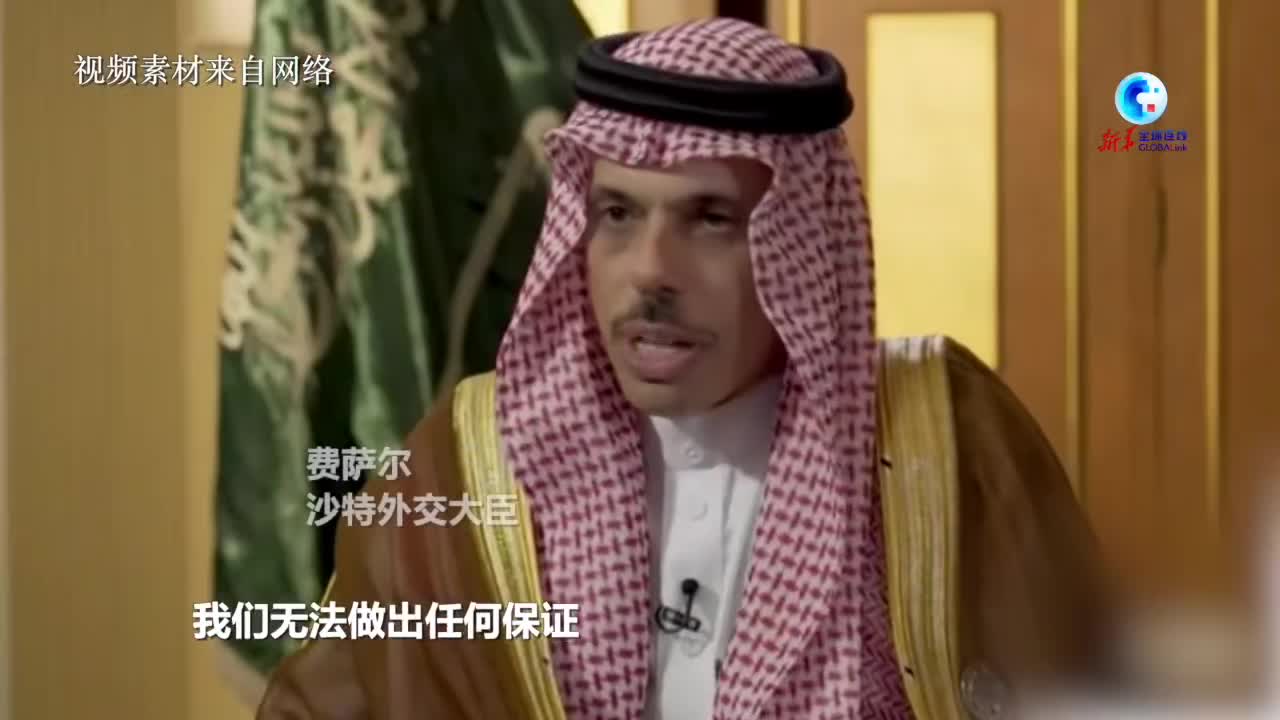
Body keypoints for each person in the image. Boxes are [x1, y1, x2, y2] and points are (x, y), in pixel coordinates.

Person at [256, 18, 1111, 719]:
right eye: (617, 214)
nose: (651, 271)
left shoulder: (945, 443)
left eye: (711, 220)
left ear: (800, 241)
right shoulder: (465, 460)